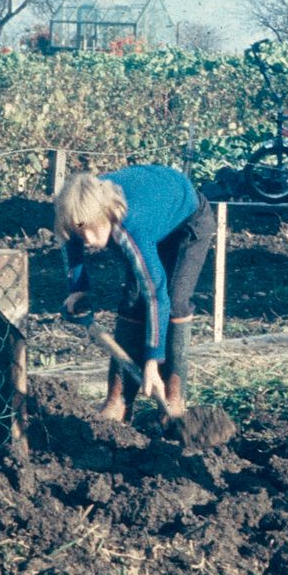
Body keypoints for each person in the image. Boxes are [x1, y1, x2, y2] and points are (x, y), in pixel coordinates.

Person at [54, 166, 215, 424]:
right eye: (80, 231)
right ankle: (117, 401)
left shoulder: (130, 226)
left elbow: (156, 296)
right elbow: (69, 240)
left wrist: (153, 361)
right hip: (154, 213)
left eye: (91, 230)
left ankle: (173, 400)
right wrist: (78, 288)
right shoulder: (80, 210)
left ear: (105, 214)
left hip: (187, 222)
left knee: (174, 301)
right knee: (131, 301)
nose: (87, 238)